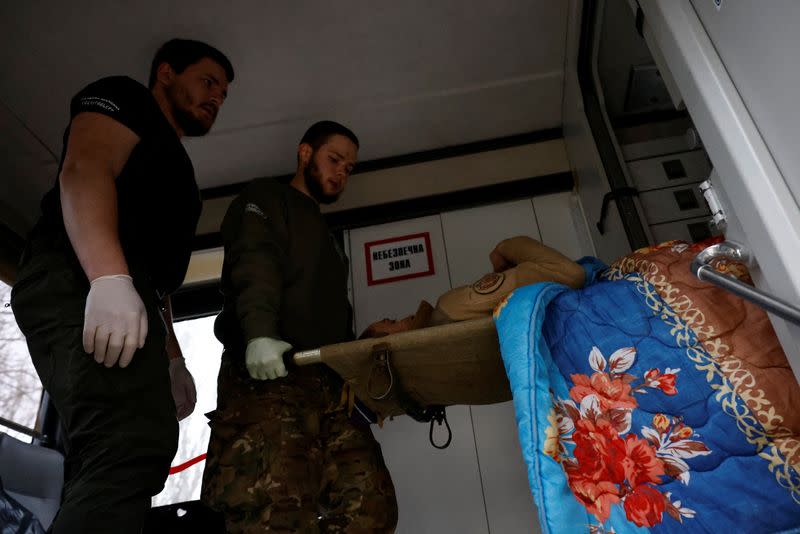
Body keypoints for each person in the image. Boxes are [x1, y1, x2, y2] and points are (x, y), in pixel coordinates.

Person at [9, 39, 234, 533]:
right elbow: (84, 170)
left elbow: (155, 283)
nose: (217, 96)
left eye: (224, 92)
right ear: (166, 73)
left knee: (130, 447)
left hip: (128, 291)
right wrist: (108, 279)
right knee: (127, 441)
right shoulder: (125, 98)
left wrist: (173, 357)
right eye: (208, 81)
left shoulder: (182, 178)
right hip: (77, 275)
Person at [201, 121, 398, 533]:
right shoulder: (266, 198)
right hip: (269, 379)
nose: (342, 172)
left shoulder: (327, 241)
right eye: (335, 159)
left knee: (370, 508)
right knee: (274, 511)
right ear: (305, 153)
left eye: (349, 167)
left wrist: (357, 360)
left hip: (327, 386)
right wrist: (257, 333)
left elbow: (325, 318)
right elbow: (255, 263)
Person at [360, 236, 585, 338]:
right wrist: (504, 249)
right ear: (387, 340)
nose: (402, 317)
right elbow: (568, 274)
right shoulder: (448, 307)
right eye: (391, 322)